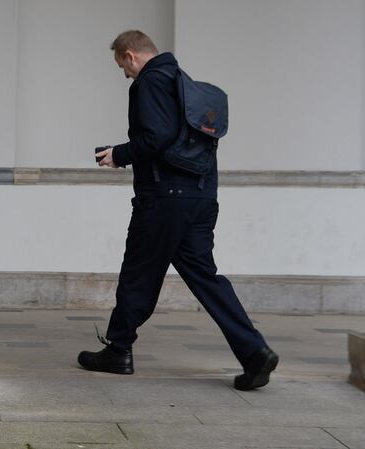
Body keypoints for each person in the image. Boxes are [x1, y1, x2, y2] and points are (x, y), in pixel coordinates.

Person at [78, 30, 278, 391]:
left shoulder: (151, 81)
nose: (125, 74)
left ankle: (119, 350)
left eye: (122, 67)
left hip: (163, 200)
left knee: (138, 272)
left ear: (130, 56)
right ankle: (254, 352)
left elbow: (158, 136)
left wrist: (118, 155)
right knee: (206, 278)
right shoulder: (183, 82)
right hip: (201, 197)